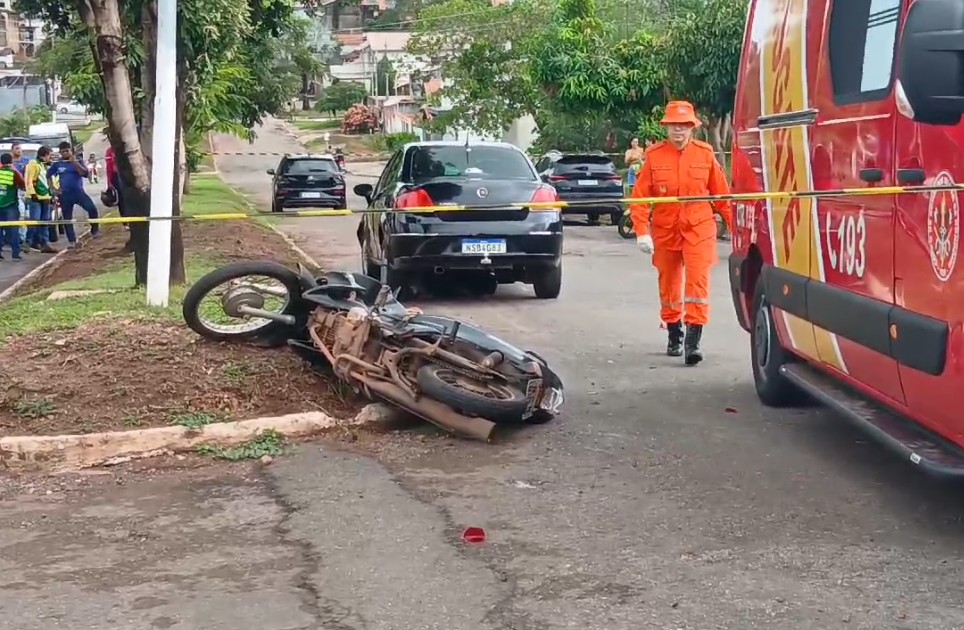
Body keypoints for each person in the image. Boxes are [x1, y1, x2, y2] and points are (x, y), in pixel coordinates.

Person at [629, 101, 732, 365]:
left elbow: (722, 197)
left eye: (684, 126)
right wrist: (642, 231)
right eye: (675, 125)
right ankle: (674, 331)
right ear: (667, 127)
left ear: (692, 128)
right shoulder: (654, 155)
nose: (679, 130)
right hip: (665, 231)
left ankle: (693, 343)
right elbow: (640, 198)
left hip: (699, 229)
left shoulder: (705, 154)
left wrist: (737, 229)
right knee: (669, 284)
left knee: (698, 286)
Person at [48, 141, 99, 246]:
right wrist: (54, 189)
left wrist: (74, 163)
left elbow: (85, 174)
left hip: (78, 192)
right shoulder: (58, 164)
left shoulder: (78, 160)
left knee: (92, 209)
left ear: (71, 150)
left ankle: (94, 230)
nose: (65, 153)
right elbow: (49, 175)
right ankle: (72, 241)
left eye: (67, 151)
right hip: (65, 194)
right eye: (63, 152)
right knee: (67, 218)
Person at [24, 145, 56, 253]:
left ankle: (44, 243)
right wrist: (32, 193)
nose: (51, 158)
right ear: (44, 155)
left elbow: (49, 182)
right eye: (49, 156)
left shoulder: (45, 166)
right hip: (35, 197)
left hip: (46, 196)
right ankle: (28, 243)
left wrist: (51, 195)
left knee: (45, 222)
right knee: (34, 220)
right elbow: (28, 180)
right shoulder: (33, 164)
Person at [0, 153, 26, 260]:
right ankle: (15, 253)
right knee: (14, 228)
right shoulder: (13, 173)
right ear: (11, 162)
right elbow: (23, 185)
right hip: (10, 204)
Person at [10, 142, 28, 251]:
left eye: (20, 149)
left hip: (26, 190)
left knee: (27, 215)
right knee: (20, 215)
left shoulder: (27, 161)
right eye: (16, 149)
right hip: (14, 191)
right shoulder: (7, 162)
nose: (19, 151)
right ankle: (21, 239)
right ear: (12, 150)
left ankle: (27, 239)